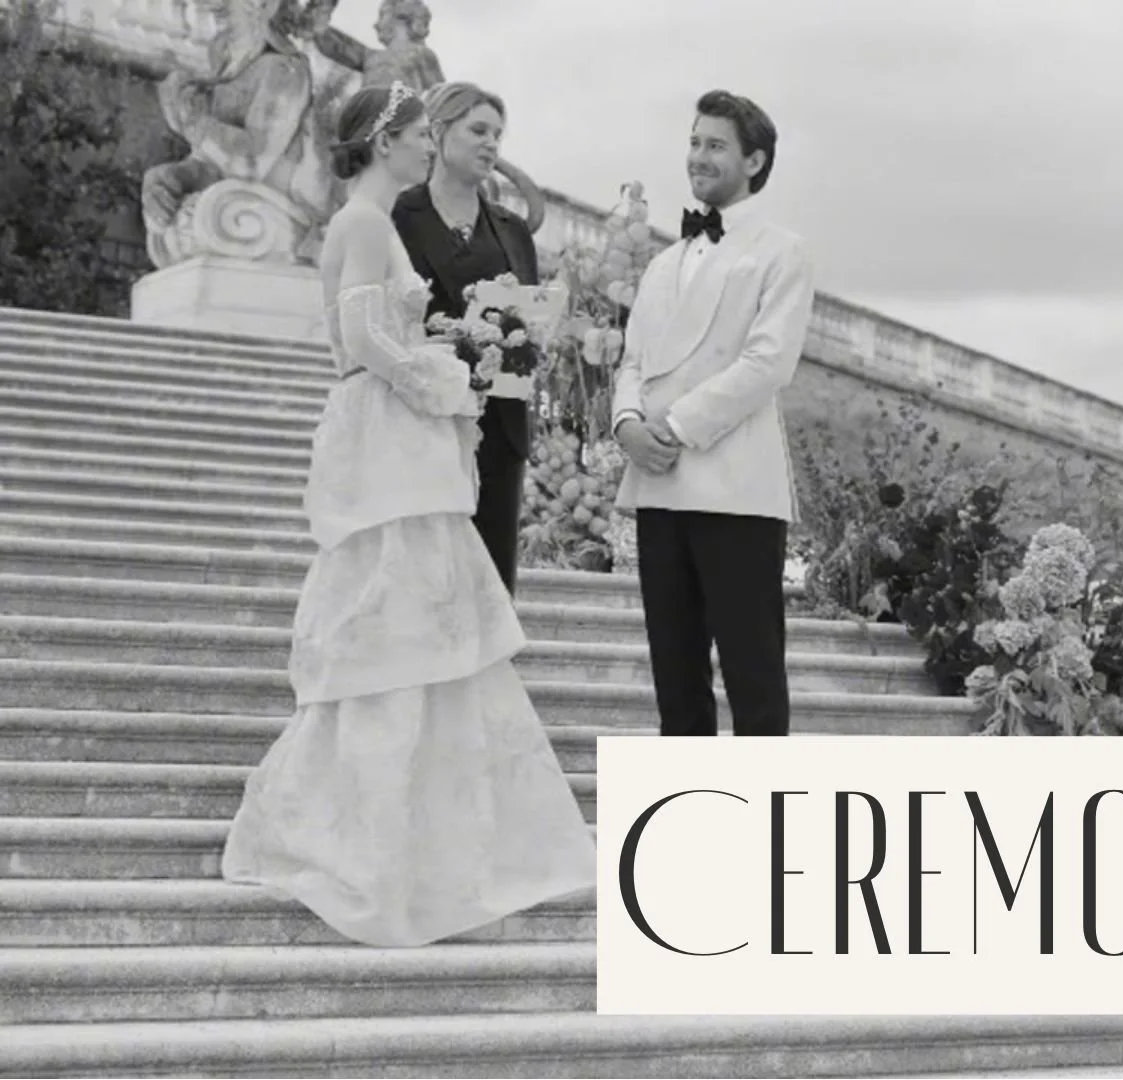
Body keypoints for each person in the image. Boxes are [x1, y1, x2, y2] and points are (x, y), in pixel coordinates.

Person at [220, 82, 596, 947]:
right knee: (397, 613)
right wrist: (444, 375)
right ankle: (379, 829)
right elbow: (359, 340)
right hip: (389, 433)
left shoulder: (375, 223)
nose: (431, 147)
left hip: (410, 434)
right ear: (386, 140)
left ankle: (429, 816)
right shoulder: (362, 224)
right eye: (424, 134)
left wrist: (461, 370)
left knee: (425, 620)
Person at [610, 89, 816, 737]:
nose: (698, 156)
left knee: (754, 679)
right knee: (676, 681)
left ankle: (765, 831)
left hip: (735, 489)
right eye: (695, 142)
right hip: (658, 482)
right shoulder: (665, 261)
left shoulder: (782, 252)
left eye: (715, 145)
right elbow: (633, 360)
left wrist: (674, 427)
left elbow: (766, 364)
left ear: (754, 161)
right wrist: (627, 426)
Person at [391, 81, 542, 596]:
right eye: (478, 130)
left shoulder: (514, 230)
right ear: (437, 130)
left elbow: (528, 318)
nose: (491, 144)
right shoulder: (396, 216)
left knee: (491, 583)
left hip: (499, 425)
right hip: (422, 421)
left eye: (498, 134)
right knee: (423, 579)